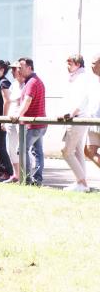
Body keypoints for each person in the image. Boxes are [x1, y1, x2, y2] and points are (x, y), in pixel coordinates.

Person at [10, 57, 47, 186]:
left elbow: (27, 101)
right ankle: (36, 180)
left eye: (21, 67)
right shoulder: (33, 81)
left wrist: (17, 115)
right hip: (38, 124)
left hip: (34, 125)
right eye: (18, 67)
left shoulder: (32, 82)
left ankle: (26, 179)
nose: (18, 70)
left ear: (29, 68)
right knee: (37, 152)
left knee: (21, 149)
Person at [61, 54, 93, 192]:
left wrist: (71, 113)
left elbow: (82, 99)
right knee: (78, 151)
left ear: (78, 64)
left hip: (77, 118)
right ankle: (81, 184)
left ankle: (83, 182)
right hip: (77, 118)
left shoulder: (82, 78)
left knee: (66, 151)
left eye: (70, 63)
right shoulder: (76, 78)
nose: (67, 66)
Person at [2, 61, 26, 184]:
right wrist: (4, 120)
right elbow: (9, 101)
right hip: (10, 119)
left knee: (20, 148)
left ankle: (25, 175)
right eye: (12, 69)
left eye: (15, 69)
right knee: (10, 148)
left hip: (21, 121)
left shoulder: (27, 83)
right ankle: (16, 174)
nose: (12, 72)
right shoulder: (14, 84)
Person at [84, 54, 100, 170]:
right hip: (92, 121)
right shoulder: (93, 81)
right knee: (89, 150)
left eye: (94, 63)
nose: (91, 66)